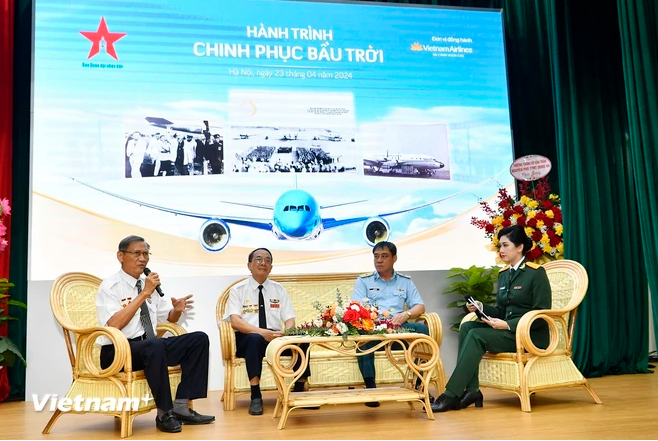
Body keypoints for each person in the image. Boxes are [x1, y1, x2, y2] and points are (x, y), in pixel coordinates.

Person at [96, 235, 215, 433]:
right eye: (136, 253)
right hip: (118, 351)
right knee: (156, 345)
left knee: (198, 339)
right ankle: (164, 413)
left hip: (150, 348)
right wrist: (144, 294)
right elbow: (113, 325)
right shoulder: (110, 286)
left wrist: (176, 310)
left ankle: (181, 407)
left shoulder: (147, 285)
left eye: (146, 254)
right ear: (120, 256)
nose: (142, 259)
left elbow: (168, 318)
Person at [431, 225, 552, 412]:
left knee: (477, 335)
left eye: (505, 245)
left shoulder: (536, 273)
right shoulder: (504, 274)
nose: (501, 250)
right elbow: (501, 311)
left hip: (529, 335)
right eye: (499, 246)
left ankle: (451, 394)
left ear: (520, 247)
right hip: (509, 332)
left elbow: (542, 315)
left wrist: (508, 325)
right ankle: (472, 391)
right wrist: (481, 307)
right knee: (468, 327)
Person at [223, 248, 313, 416]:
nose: (263, 263)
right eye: (258, 259)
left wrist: (287, 333)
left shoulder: (278, 289)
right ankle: (256, 395)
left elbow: (289, 318)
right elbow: (235, 322)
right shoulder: (238, 290)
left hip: (275, 338)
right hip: (248, 337)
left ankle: (299, 390)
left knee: (303, 340)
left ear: (271, 267)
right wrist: (261, 333)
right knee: (255, 339)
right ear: (249, 265)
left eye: (267, 260)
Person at [351, 241, 429, 407]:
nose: (379, 260)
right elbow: (356, 308)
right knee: (363, 337)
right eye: (376, 256)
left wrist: (406, 314)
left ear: (394, 258)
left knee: (421, 330)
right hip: (374, 330)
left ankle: (419, 385)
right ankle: (371, 389)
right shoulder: (364, 281)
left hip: (398, 328)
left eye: (384, 256)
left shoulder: (405, 281)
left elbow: (420, 306)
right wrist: (371, 319)